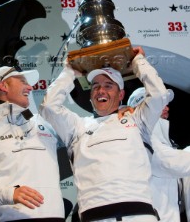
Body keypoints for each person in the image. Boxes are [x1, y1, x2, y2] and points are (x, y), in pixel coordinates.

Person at [40, 46, 173, 222]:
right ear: (90, 95)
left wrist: (139, 62)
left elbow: (159, 96)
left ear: (121, 94)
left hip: (139, 215)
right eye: (96, 86)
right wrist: (69, 72)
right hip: (95, 217)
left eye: (108, 85)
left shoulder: (137, 120)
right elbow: (49, 106)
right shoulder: (78, 126)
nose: (100, 90)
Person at [0, 65, 67, 222]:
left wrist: (123, 109)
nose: (30, 87)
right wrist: (9, 194)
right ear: (3, 86)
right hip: (12, 219)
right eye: (23, 81)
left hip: (55, 218)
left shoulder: (43, 122)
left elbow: (84, 133)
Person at [127, 87, 190, 222]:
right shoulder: (140, 140)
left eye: (166, 104)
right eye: (161, 104)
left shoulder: (165, 142)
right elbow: (173, 163)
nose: (167, 108)